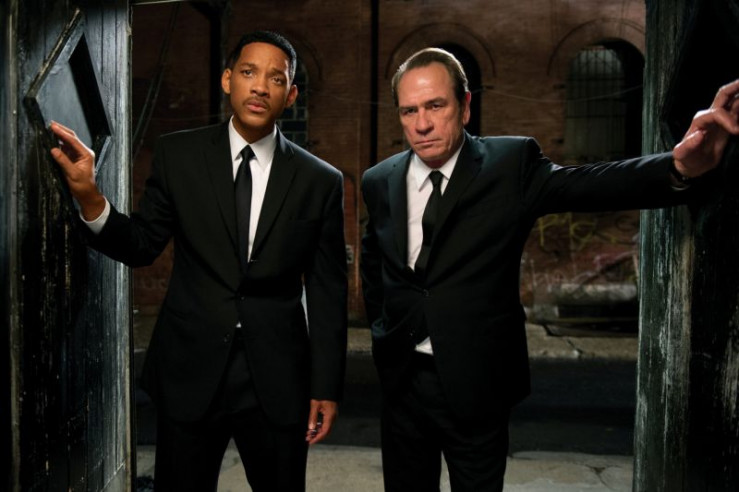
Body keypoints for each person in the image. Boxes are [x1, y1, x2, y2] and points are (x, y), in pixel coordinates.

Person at [360, 47, 739, 491]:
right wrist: (384, 332)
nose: (421, 124)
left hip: (477, 384)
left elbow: (590, 184)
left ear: (464, 106)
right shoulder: (379, 180)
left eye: (435, 106)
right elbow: (375, 267)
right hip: (403, 385)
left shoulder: (509, 165)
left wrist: (678, 166)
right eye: (409, 111)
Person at [50, 31, 347, 492]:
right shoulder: (179, 155)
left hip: (276, 379)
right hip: (190, 369)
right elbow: (142, 245)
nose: (260, 86)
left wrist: (325, 386)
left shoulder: (320, 180)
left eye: (276, 78)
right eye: (248, 72)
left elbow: (327, 290)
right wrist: (90, 196)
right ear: (228, 80)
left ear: (290, 95)